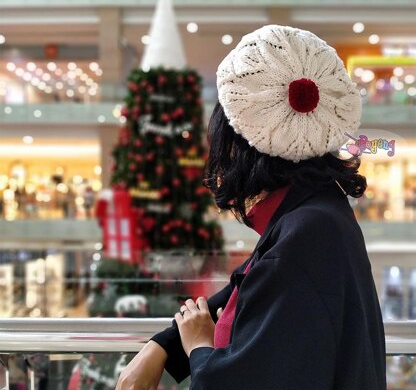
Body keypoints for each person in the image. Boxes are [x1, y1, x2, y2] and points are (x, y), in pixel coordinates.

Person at [116, 24, 386, 390]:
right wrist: (162, 346)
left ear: (240, 145)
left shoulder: (303, 235)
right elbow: (245, 286)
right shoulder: (316, 212)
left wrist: (198, 347)